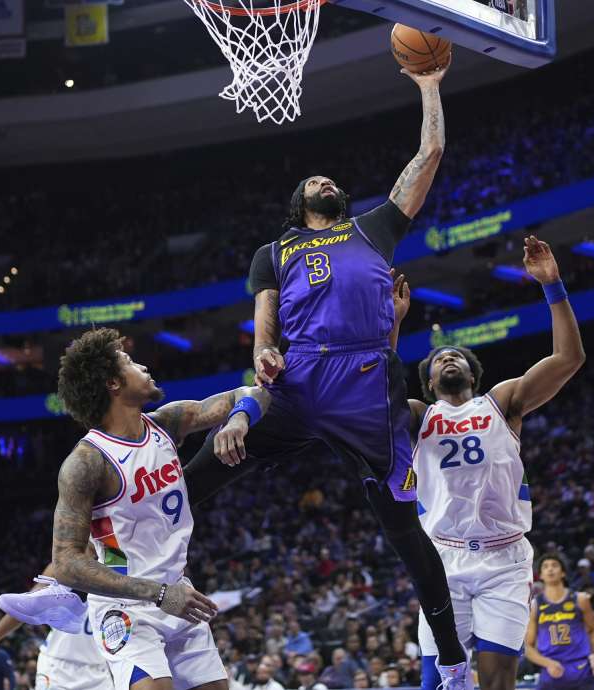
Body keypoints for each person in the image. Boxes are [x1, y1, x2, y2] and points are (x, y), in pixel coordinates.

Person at [178, 61, 471, 690]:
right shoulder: (274, 250)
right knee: (201, 469)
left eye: (329, 177)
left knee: (402, 529)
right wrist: (262, 355)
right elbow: (264, 323)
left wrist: (428, 86)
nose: (324, 179)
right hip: (301, 377)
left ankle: (453, 663)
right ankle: (108, 561)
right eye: (314, 179)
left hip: (370, 381)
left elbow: (431, 151)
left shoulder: (373, 228)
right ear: (301, 203)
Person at [398, 236, 586, 690]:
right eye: (440, 357)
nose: (448, 357)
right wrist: (392, 324)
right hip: (444, 555)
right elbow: (374, 399)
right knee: (434, 682)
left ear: (472, 373)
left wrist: (553, 285)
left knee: (497, 682)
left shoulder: (501, 402)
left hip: (504, 558)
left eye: (456, 356)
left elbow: (569, 358)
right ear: (428, 381)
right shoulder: (420, 416)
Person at [44, 328, 272, 690]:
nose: (144, 366)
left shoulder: (168, 423)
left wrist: (240, 417)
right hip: (126, 606)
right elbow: (66, 561)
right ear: (113, 383)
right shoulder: (86, 462)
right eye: (130, 362)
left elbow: (252, 392)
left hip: (179, 595)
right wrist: (159, 594)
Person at [0, 565, 111, 690]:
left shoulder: (125, 567)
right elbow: (27, 606)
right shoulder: (62, 564)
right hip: (58, 668)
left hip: (100, 670)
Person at [525, 554, 594, 690]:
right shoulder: (535, 606)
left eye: (554, 565)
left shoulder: (580, 599)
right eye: (545, 566)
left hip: (582, 670)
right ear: (541, 575)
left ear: (563, 573)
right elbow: (527, 647)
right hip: (552, 671)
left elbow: (592, 631)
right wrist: (547, 663)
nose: (550, 569)